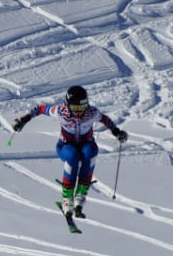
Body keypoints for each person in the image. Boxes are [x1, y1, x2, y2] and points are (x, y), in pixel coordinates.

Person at [12, 85, 127, 218]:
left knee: (91, 151)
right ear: (68, 105)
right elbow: (40, 109)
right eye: (75, 108)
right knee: (73, 156)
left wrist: (117, 132)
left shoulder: (91, 112)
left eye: (82, 107)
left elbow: (105, 119)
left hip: (86, 144)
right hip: (65, 146)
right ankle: (67, 197)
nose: (78, 112)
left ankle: (81, 194)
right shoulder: (60, 111)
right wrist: (23, 120)